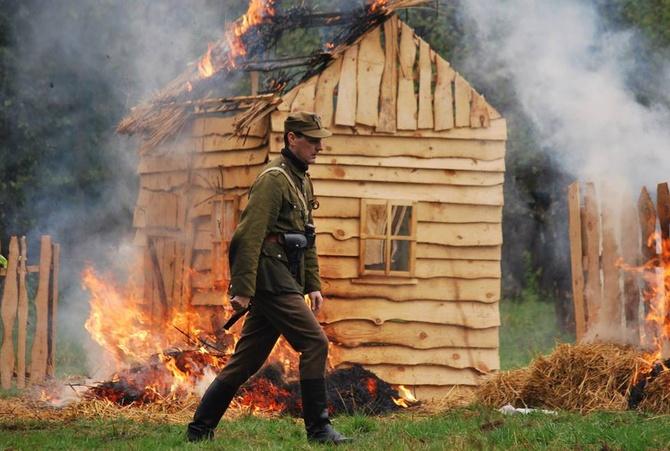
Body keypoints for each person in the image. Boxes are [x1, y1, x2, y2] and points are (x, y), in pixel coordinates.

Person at [186, 111, 353, 444]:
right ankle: (319, 430)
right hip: (271, 277)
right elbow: (248, 236)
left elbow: (306, 237)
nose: (319, 146)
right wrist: (243, 289)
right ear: (292, 138)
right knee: (315, 343)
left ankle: (199, 430)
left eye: (320, 140)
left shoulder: (302, 179)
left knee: (246, 360)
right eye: (312, 139)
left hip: (287, 276)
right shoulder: (273, 179)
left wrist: (312, 283)